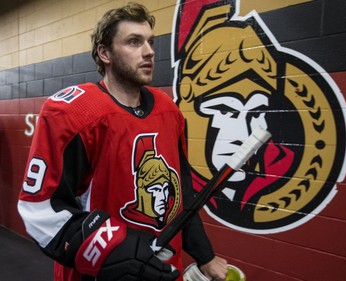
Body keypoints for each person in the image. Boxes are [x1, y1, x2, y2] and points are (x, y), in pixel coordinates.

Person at [17, 2, 228, 281]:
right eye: (134, 42)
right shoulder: (74, 113)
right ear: (105, 53)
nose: (149, 51)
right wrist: (115, 249)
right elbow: (39, 209)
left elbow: (183, 197)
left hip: (162, 271)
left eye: (150, 42)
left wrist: (205, 255)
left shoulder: (170, 112)